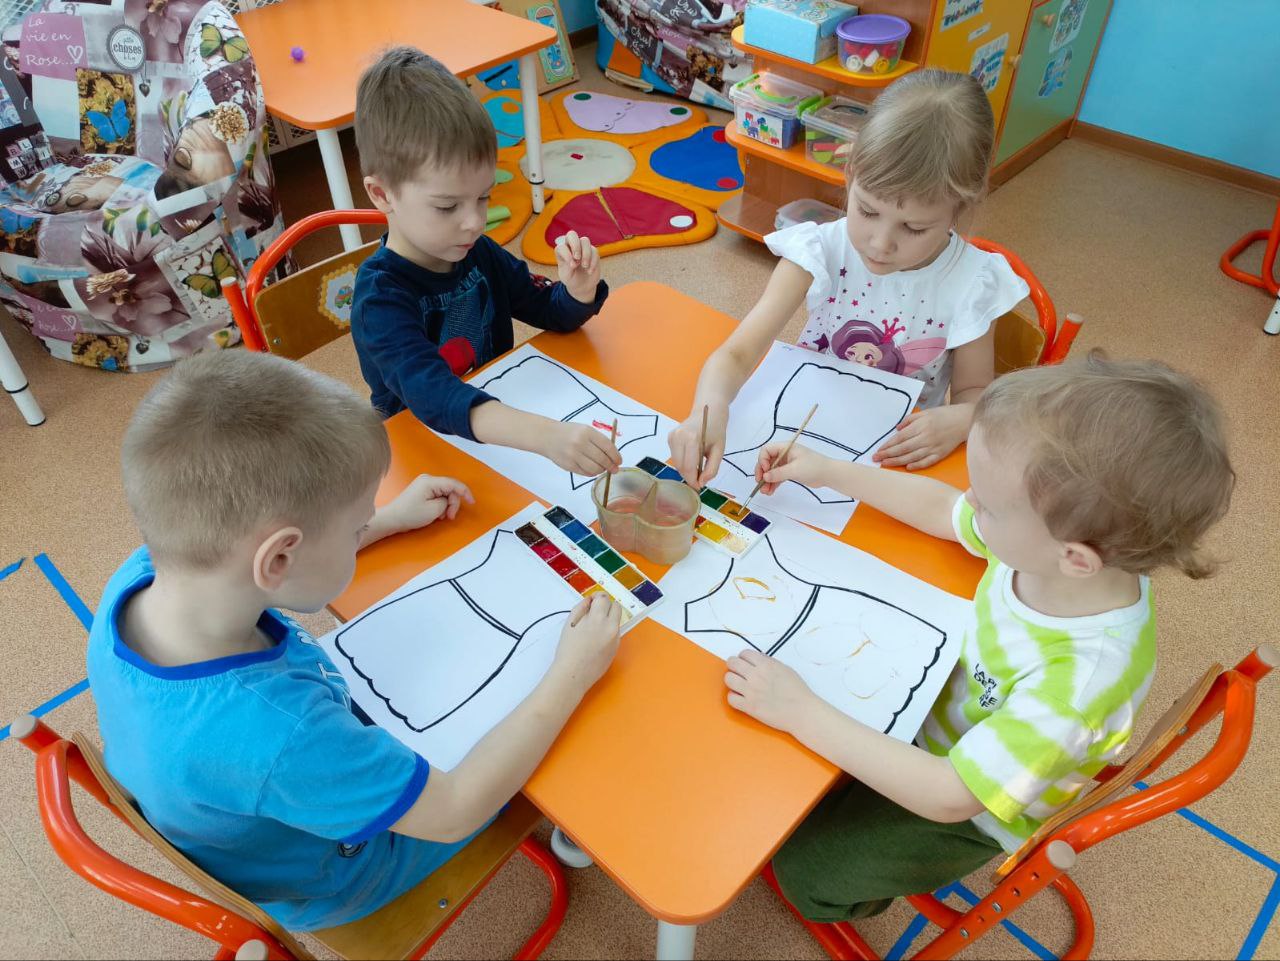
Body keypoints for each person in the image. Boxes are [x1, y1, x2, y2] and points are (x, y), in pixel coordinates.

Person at [87, 350, 623, 930]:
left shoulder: (154, 572)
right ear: (280, 557)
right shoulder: (283, 736)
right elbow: (453, 812)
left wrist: (386, 521)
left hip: (269, 811)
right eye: (354, 526)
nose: (363, 526)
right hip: (346, 875)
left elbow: (271, 570)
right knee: (571, 744)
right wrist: (572, 673)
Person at [727, 353, 1234, 920]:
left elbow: (950, 794)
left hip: (970, 806)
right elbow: (944, 510)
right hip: (935, 710)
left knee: (806, 873)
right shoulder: (1051, 549)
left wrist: (800, 713)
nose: (969, 502)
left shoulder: (1077, 688)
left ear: (1074, 558)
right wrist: (827, 471)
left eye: (987, 506)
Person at [669, 68, 1029, 485]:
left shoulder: (971, 282)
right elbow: (735, 355)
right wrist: (708, 411)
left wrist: (963, 419)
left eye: (914, 228)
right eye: (868, 211)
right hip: (800, 438)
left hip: (889, 464)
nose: (880, 243)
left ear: (959, 209)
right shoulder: (817, 250)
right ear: (850, 170)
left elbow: (974, 394)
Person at [351, 46, 620, 479]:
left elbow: (548, 311)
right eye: (447, 206)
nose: (475, 221)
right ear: (382, 195)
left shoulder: (476, 251)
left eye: (483, 197)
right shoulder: (379, 299)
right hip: (423, 457)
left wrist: (577, 290)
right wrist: (544, 436)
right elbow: (435, 397)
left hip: (498, 435)